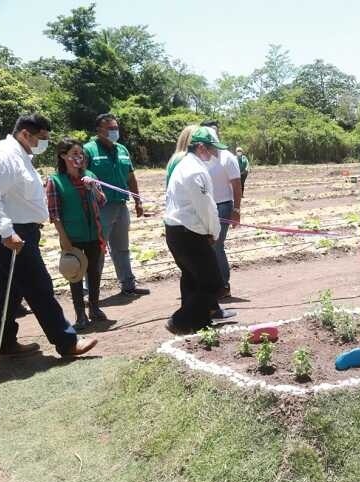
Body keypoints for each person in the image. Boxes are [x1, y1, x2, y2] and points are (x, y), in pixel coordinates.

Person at [0, 114, 97, 358]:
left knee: (9, 291)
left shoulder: (20, 155)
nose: (43, 143)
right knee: (39, 286)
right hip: (11, 233)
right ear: (25, 134)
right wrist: (6, 231)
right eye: (41, 138)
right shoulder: (3, 155)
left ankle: (3, 344)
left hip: (21, 230)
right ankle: (66, 342)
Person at [164, 127, 236, 334]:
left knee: (192, 278)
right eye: (212, 149)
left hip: (177, 230)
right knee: (213, 283)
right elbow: (205, 207)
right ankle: (179, 321)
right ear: (201, 147)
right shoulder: (195, 170)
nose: (214, 154)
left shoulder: (183, 164)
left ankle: (199, 322)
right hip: (190, 232)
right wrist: (213, 232)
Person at [83, 113, 150, 297]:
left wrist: (138, 200)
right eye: (110, 128)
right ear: (99, 130)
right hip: (99, 208)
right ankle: (91, 291)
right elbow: (81, 178)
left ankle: (128, 285)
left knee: (122, 247)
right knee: (98, 249)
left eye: (116, 128)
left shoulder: (122, 150)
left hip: (121, 205)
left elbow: (130, 176)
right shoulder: (88, 150)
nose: (114, 131)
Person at [46, 137, 108, 330]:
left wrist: (95, 190)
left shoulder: (90, 175)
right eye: (74, 154)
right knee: (76, 274)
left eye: (81, 154)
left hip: (93, 233)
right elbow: (54, 214)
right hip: (73, 236)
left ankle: (95, 308)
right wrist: (63, 238)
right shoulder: (55, 181)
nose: (79, 157)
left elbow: (102, 201)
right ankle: (80, 314)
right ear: (63, 156)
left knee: (94, 272)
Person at [199, 121, 241, 300]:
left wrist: (237, 209)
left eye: (215, 132)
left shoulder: (227, 157)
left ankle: (223, 285)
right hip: (205, 206)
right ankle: (210, 283)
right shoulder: (201, 156)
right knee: (205, 247)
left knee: (216, 245)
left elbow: (237, 185)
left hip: (223, 206)